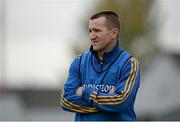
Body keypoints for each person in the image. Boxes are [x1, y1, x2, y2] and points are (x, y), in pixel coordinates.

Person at [60, 10, 140, 121]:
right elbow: (66, 101)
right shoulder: (78, 62)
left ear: (114, 33)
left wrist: (85, 92)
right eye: (90, 31)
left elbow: (120, 102)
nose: (92, 36)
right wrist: (108, 103)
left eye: (97, 31)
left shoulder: (129, 64)